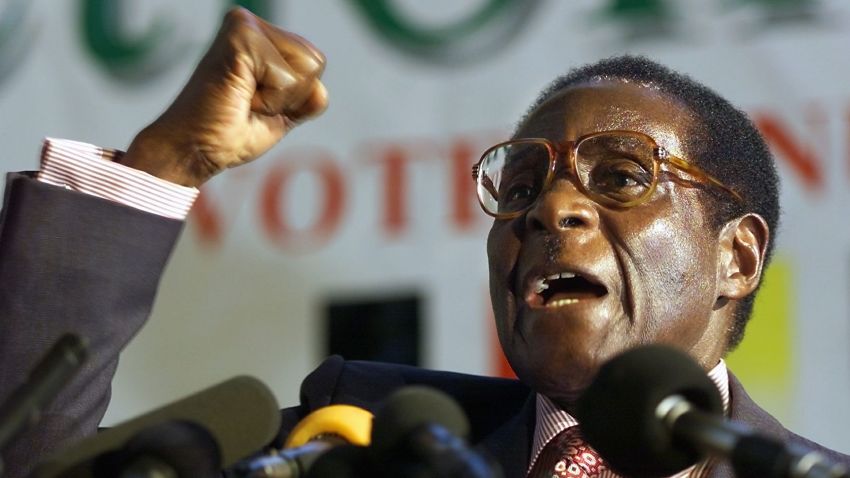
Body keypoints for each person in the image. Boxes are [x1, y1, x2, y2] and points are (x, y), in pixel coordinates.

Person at [0, 7, 847, 478]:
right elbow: (32, 460)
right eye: (519, 189)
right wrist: (166, 164)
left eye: (620, 177)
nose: (550, 211)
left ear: (737, 257)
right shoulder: (365, 440)